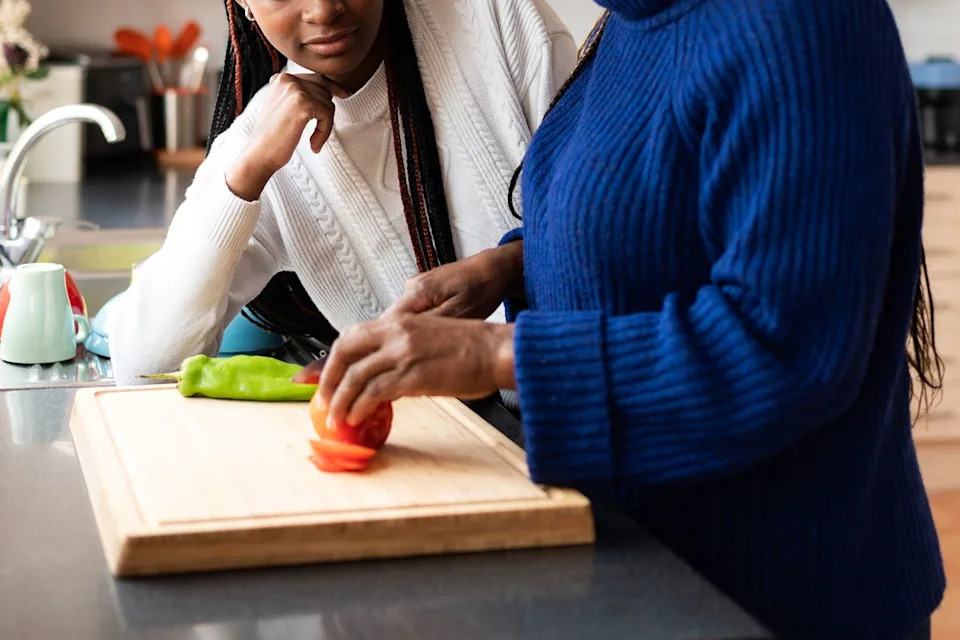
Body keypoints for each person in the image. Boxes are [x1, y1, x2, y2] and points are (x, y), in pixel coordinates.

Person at [314, 1, 946, 638]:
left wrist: (490, 355)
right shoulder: (633, 17)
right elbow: (661, 213)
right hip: (639, 567)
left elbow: (783, 346)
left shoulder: (799, 20)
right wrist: (511, 264)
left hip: (778, 599)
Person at [107, 0, 577, 384]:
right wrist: (246, 174)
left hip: (593, 405)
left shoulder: (498, 19)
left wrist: (511, 265)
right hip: (431, 453)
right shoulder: (259, 147)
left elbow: (622, 235)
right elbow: (141, 367)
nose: (324, 9)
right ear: (244, 4)